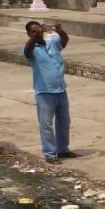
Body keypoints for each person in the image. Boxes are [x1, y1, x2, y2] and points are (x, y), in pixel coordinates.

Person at [23, 20, 74, 164]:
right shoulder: (32, 48)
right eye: (33, 32)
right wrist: (35, 38)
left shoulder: (52, 43)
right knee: (46, 125)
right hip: (44, 92)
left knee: (64, 122)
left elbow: (64, 41)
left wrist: (60, 31)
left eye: (38, 30)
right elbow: (26, 51)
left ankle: (63, 149)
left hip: (61, 90)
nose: (37, 33)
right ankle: (50, 154)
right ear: (28, 34)